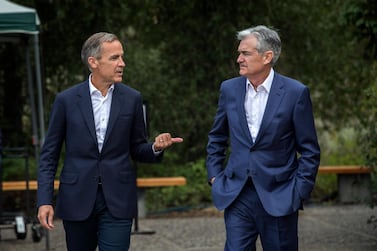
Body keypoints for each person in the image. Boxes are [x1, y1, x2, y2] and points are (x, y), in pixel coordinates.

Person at [37, 32, 183, 251]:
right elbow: (49, 155)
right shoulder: (66, 101)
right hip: (77, 198)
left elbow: (137, 148)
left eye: (122, 57)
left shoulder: (132, 98)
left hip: (118, 198)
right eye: (114, 58)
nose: (122, 64)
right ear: (93, 62)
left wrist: (155, 147)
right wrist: (44, 200)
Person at [206, 25, 320, 251]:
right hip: (237, 193)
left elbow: (309, 150)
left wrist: (298, 191)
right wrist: (215, 177)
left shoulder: (295, 93)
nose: (239, 59)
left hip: (280, 195)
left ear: (267, 56)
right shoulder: (229, 89)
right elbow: (217, 137)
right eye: (239, 53)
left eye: (245, 53)